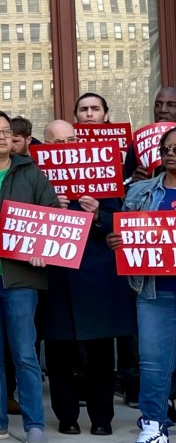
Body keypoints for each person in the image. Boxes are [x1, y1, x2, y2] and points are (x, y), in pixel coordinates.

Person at [39, 120, 133, 436]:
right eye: (58, 143)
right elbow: (22, 223)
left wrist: (97, 216)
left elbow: (120, 224)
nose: (66, 148)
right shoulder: (36, 177)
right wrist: (51, 207)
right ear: (46, 146)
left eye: (72, 140)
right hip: (54, 276)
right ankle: (66, 415)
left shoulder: (102, 171)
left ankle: (101, 418)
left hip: (96, 275)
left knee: (101, 352)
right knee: (59, 350)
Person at [0, 111, 57, 443]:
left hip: (20, 278)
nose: (4, 136)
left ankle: (34, 424)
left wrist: (43, 249)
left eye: (7, 131)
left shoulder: (31, 174)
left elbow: (51, 218)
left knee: (24, 353)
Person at [106, 126, 176, 443]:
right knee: (153, 362)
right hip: (154, 291)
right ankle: (152, 423)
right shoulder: (140, 191)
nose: (171, 153)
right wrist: (116, 240)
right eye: (166, 149)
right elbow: (127, 233)